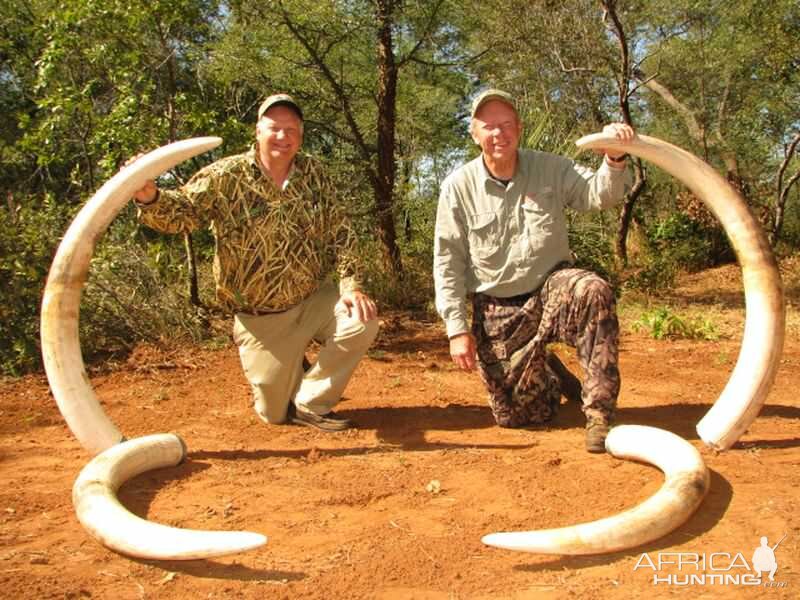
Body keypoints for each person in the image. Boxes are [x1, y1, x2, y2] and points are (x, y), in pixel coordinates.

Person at [128, 93, 379, 432]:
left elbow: (341, 232)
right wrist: (149, 196)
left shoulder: (315, 175)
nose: (283, 136)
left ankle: (311, 402)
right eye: (274, 128)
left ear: (301, 135)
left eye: (292, 129)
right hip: (259, 318)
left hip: (311, 299)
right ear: (257, 131)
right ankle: (290, 371)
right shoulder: (226, 175)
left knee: (360, 319)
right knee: (274, 415)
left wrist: (351, 285)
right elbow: (182, 215)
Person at [433, 89, 634, 453]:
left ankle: (600, 415)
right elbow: (448, 262)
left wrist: (615, 157)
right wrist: (456, 329)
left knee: (592, 289)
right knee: (518, 417)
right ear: (474, 133)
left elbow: (598, 195)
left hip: (552, 288)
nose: (499, 134)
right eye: (489, 126)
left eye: (506, 124)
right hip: (497, 305)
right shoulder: (456, 187)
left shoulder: (552, 168)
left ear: (519, 128)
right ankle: (549, 372)